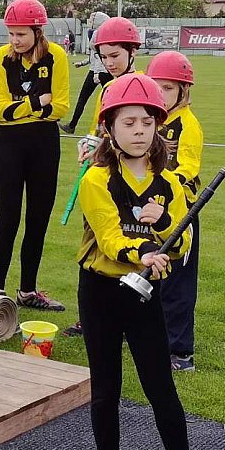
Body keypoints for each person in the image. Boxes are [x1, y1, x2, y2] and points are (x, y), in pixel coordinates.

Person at [75, 72, 214, 450]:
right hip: (101, 291)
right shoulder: (96, 179)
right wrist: (145, 251)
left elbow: (183, 241)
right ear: (109, 128)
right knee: (106, 388)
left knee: (160, 386)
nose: (139, 131)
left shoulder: (169, 184)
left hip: (144, 295)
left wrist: (163, 224)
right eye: (129, 122)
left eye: (147, 122)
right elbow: (109, 237)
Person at [61, 17, 145, 338]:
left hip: (127, 182)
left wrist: (107, 148)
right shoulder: (107, 88)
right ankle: (92, 317)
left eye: (115, 55)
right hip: (99, 179)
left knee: (121, 246)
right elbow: (99, 128)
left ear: (132, 52)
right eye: (104, 56)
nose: (109, 63)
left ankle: (123, 317)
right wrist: (89, 144)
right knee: (93, 248)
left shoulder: (142, 87)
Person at [0, 0, 70, 311]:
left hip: (44, 143)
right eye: (11, 33)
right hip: (9, 144)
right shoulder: (0, 59)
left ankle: (27, 291)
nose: (15, 40)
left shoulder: (56, 56)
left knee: (38, 220)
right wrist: (37, 102)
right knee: (8, 219)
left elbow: (59, 107)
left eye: (21, 34)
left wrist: (18, 107)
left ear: (37, 31)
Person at [146, 51, 205, 371]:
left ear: (184, 91)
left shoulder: (187, 125)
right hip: (148, 209)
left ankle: (180, 351)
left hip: (179, 212)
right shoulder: (150, 119)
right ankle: (145, 334)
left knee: (176, 282)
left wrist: (163, 192)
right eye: (156, 87)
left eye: (168, 88)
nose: (161, 94)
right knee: (145, 271)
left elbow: (187, 168)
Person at [63, 16, 111, 134]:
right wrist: (82, 63)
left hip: (99, 71)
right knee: (108, 100)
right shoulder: (103, 32)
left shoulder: (97, 33)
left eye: (92, 19)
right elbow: (94, 56)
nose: (89, 21)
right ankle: (73, 125)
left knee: (84, 98)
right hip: (103, 71)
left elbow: (99, 55)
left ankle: (72, 126)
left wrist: (96, 73)